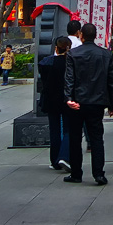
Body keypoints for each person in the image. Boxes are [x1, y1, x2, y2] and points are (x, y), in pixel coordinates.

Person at [63, 23, 113, 185]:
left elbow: (69, 78)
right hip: (97, 102)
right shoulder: (105, 54)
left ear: (81, 35)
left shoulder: (73, 54)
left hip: (77, 102)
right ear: (96, 36)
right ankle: (99, 174)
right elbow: (111, 81)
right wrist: (112, 105)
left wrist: (68, 98)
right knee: (96, 138)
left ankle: (76, 173)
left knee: (75, 138)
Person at [38, 36, 71, 171]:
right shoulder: (71, 63)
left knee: (54, 130)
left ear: (56, 48)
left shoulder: (46, 63)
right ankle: (64, 156)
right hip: (66, 99)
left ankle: (54, 160)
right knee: (68, 129)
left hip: (51, 99)